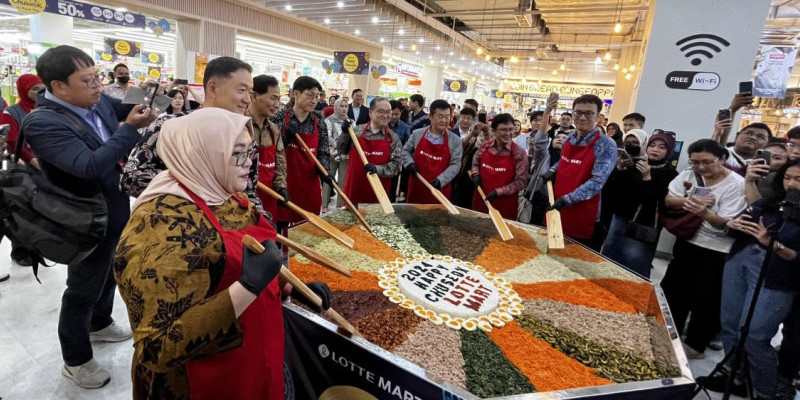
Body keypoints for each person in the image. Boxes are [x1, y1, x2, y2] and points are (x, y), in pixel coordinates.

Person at [114, 107, 330, 400]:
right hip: (208, 381)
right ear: (202, 153)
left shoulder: (224, 191)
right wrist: (248, 287)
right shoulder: (158, 225)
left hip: (260, 359)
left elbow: (243, 261)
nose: (249, 162)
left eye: (250, 150)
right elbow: (157, 346)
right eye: (236, 153)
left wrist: (289, 287)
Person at [21, 45, 158, 388]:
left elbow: (125, 105)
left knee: (110, 269)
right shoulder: (44, 122)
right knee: (82, 286)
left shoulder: (97, 102)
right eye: (87, 80)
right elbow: (88, 166)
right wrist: (129, 129)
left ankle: (100, 322)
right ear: (59, 86)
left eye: (98, 76)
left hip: (112, 206)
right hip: (80, 217)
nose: (98, 85)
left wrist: (152, 93)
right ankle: (76, 358)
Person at [698, 159, 800, 400]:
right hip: (741, 261)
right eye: (787, 178)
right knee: (731, 325)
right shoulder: (771, 204)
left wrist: (777, 247)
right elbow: (737, 227)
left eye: (799, 179)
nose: (792, 184)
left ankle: (766, 391)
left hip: (779, 276)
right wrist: (732, 223)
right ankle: (736, 376)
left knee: (755, 334)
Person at [121, 57, 263, 213]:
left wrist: (260, 220)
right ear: (213, 88)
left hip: (229, 229)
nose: (247, 100)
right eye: (242, 90)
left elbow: (249, 191)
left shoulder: (244, 137)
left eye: (250, 93)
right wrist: (194, 189)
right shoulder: (169, 127)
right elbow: (132, 177)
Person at [661, 139, 747, 360]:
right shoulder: (689, 174)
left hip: (717, 250)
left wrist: (704, 212)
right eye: (694, 162)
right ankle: (669, 335)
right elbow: (670, 200)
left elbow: (728, 224)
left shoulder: (736, 184)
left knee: (707, 300)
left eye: (706, 162)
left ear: (722, 159)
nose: (700, 168)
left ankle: (696, 345)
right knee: (672, 290)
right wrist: (689, 201)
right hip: (688, 241)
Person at [542, 94, 617, 249]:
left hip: (582, 213)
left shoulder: (606, 144)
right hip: (556, 205)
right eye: (578, 112)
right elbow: (563, 159)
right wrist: (553, 169)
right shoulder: (569, 138)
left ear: (598, 117)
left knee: (575, 262)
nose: (582, 117)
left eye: (589, 113)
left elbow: (597, 182)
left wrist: (566, 200)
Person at [600, 132, 678, 278]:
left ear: (669, 151)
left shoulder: (670, 174)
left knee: (633, 265)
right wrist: (619, 169)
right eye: (652, 145)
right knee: (609, 261)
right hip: (620, 219)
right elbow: (613, 191)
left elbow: (656, 202)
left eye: (662, 147)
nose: (655, 149)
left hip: (643, 225)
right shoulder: (635, 164)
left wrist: (647, 178)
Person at [271, 76, 331, 223]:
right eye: (310, 95)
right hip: (284, 184)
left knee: (306, 229)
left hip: (309, 186)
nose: (314, 100)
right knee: (281, 226)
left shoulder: (319, 123)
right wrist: (285, 137)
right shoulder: (278, 119)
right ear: (296, 94)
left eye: (317, 96)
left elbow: (323, 152)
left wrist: (324, 170)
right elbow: (270, 152)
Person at [0, 73, 45, 267]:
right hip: (23, 168)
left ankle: (38, 247)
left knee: (40, 209)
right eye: (35, 89)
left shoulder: (46, 109)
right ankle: (20, 250)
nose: (40, 92)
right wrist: (34, 161)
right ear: (23, 90)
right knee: (19, 210)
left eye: (42, 88)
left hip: (45, 167)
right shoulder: (12, 112)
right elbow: (12, 140)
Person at [338, 97, 401, 205]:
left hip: (378, 195)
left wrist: (377, 169)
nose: (386, 116)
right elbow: (341, 150)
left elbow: (396, 166)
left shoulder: (393, 138)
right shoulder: (356, 132)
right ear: (371, 113)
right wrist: (344, 133)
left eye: (388, 112)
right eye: (381, 112)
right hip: (353, 190)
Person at [469, 113, 530, 219]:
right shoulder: (485, 146)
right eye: (503, 130)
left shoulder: (519, 153)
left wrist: (498, 192)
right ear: (493, 131)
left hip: (504, 206)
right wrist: (475, 174)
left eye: (511, 129)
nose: (508, 133)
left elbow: (521, 182)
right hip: (481, 199)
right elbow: (475, 163)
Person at [402, 99, 462, 204]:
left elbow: (456, 164)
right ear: (430, 116)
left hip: (440, 190)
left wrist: (441, 180)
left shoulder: (455, 140)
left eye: (447, 117)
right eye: (440, 116)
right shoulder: (417, 134)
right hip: (417, 187)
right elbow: (405, 151)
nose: (444, 120)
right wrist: (409, 163)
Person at [249, 75, 287, 220]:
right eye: (273, 98)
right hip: (245, 202)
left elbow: (280, 161)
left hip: (269, 197)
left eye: (278, 99)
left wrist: (281, 187)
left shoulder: (274, 129)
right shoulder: (240, 126)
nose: (277, 104)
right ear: (254, 96)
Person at [522, 93, 560, 225]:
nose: (561, 140)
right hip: (539, 197)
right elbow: (541, 139)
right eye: (558, 137)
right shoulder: (545, 155)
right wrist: (547, 111)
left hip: (560, 199)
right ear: (552, 140)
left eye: (565, 139)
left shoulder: (568, 159)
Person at [452, 123, 491, 208]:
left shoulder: (492, 147)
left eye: (490, 129)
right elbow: (460, 145)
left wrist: (486, 133)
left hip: (478, 184)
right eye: (481, 132)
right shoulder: (472, 142)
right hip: (463, 181)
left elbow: (489, 146)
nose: (482, 135)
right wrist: (472, 133)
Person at [322, 97, 351, 211]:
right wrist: (336, 143)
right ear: (336, 107)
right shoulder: (329, 120)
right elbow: (326, 135)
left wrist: (345, 149)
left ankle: (340, 204)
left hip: (345, 156)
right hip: (331, 154)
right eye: (341, 106)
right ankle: (324, 205)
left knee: (343, 181)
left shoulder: (350, 121)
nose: (344, 109)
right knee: (328, 180)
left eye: (346, 106)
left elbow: (354, 137)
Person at [388, 100, 411, 202]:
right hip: (381, 159)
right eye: (392, 114)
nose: (394, 116)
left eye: (397, 114)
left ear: (401, 113)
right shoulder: (382, 124)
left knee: (392, 186)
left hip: (396, 162)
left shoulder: (405, 127)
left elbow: (408, 145)